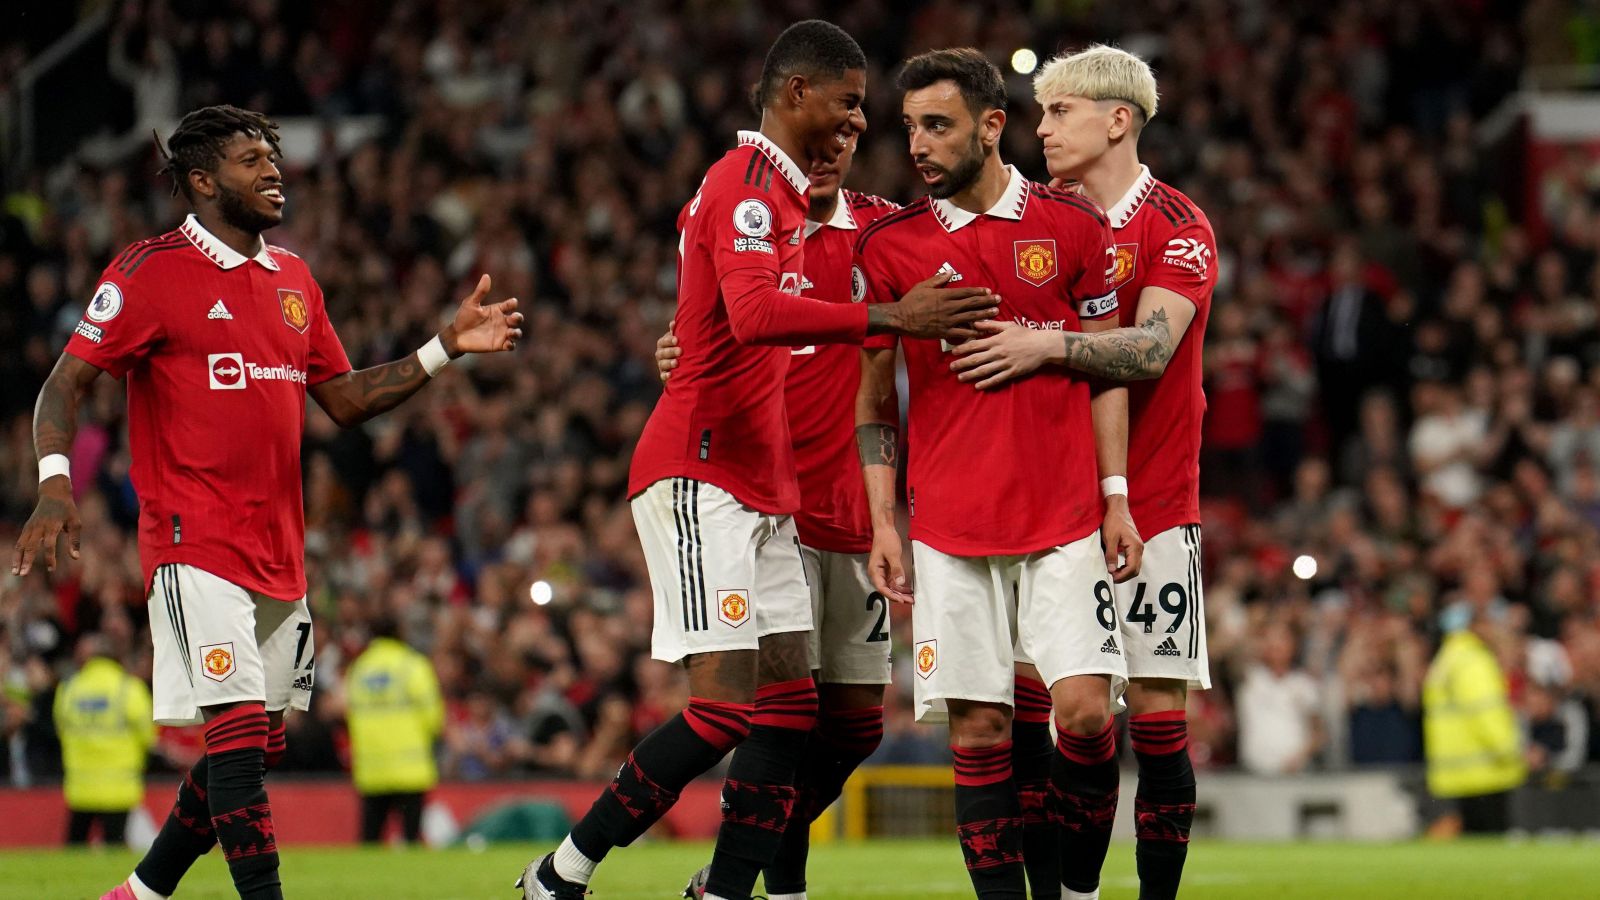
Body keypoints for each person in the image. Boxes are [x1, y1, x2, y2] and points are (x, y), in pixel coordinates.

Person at [517, 21, 996, 900]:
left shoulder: (882, 234)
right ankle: (592, 876)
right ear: (798, 101)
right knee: (736, 710)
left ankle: (708, 882)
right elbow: (742, 312)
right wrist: (879, 321)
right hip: (725, 479)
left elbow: (975, 227)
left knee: (832, 725)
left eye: (859, 127)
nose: (846, 135)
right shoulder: (744, 197)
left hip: (823, 506)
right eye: (842, 112)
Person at [11, 104, 522, 900]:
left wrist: (443, 348)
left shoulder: (294, 279)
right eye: (252, 160)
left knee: (255, 745)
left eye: (273, 156)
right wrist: (52, 483)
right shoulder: (149, 272)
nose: (273, 170)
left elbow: (345, 399)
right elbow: (64, 382)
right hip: (192, 539)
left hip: (280, 551)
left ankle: (142, 893)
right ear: (204, 180)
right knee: (240, 735)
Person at [854, 48, 1138, 899]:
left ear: (990, 126)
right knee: (979, 734)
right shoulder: (891, 247)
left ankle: (1080, 892)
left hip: (1062, 521)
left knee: (1085, 715)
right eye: (909, 129)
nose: (919, 145)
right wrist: (882, 520)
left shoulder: (1073, 227)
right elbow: (875, 403)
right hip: (948, 529)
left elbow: (1106, 373)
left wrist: (1115, 497)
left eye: (937, 126)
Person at [945, 45, 1218, 900]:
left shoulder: (1178, 225)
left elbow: (1150, 349)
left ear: (1118, 119)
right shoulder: (1036, 218)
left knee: (1161, 726)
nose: (1043, 128)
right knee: (1050, 722)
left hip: (1160, 506)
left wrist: (1048, 344)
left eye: (1059, 111)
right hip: (1052, 508)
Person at [660, 126, 902, 900]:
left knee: (859, 724)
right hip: (771, 509)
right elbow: (705, 322)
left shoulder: (880, 229)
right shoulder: (749, 216)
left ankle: (738, 860)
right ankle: (759, 885)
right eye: (816, 138)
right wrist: (674, 350)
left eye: (846, 135)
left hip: (854, 511)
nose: (828, 151)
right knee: (783, 717)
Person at [1423, 605, 1526, 834]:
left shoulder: (1446, 659)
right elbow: (1485, 712)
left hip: (1455, 773)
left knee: (1469, 850)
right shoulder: (1473, 661)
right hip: (1486, 771)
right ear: (1475, 626)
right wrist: (1510, 751)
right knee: (1493, 850)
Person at [345, 617, 445, 845]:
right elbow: (434, 716)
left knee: (370, 841)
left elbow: (350, 714)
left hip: (372, 768)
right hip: (410, 768)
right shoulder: (412, 665)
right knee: (410, 840)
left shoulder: (359, 668)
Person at [55, 634, 155, 847]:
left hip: (79, 786)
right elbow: (149, 735)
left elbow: (61, 730)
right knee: (114, 851)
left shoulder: (69, 688)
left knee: (74, 850)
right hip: (119, 788)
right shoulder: (130, 689)